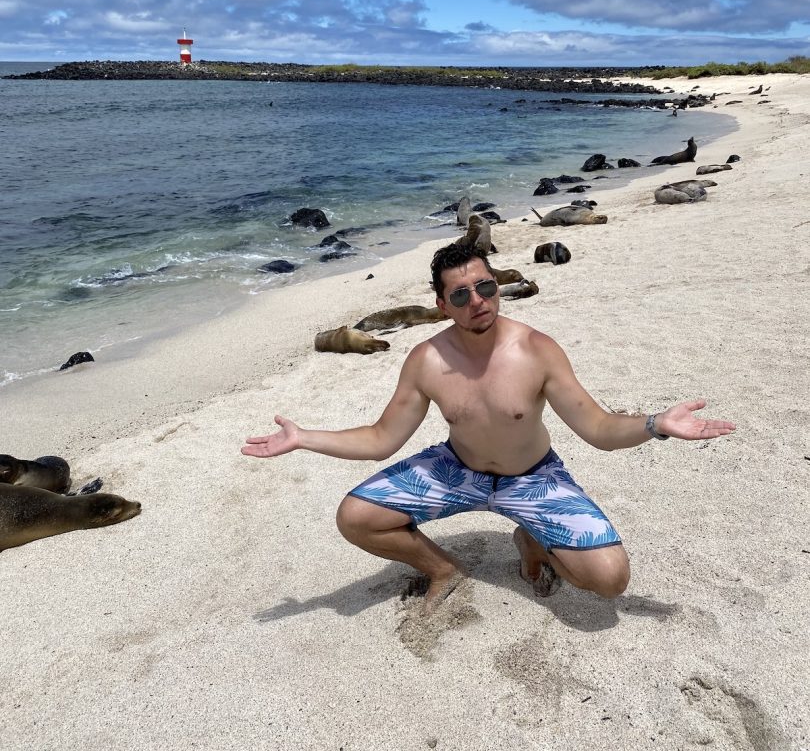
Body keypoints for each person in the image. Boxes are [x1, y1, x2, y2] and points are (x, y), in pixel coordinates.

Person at [241, 240, 735, 607]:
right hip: (458, 470)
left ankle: (530, 538)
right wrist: (304, 437)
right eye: (460, 296)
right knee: (355, 517)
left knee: (609, 579)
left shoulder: (536, 350)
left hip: (534, 477)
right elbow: (379, 439)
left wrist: (655, 424)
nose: (476, 301)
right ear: (440, 305)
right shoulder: (427, 360)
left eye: (484, 287)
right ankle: (444, 569)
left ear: (496, 286)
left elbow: (599, 429)